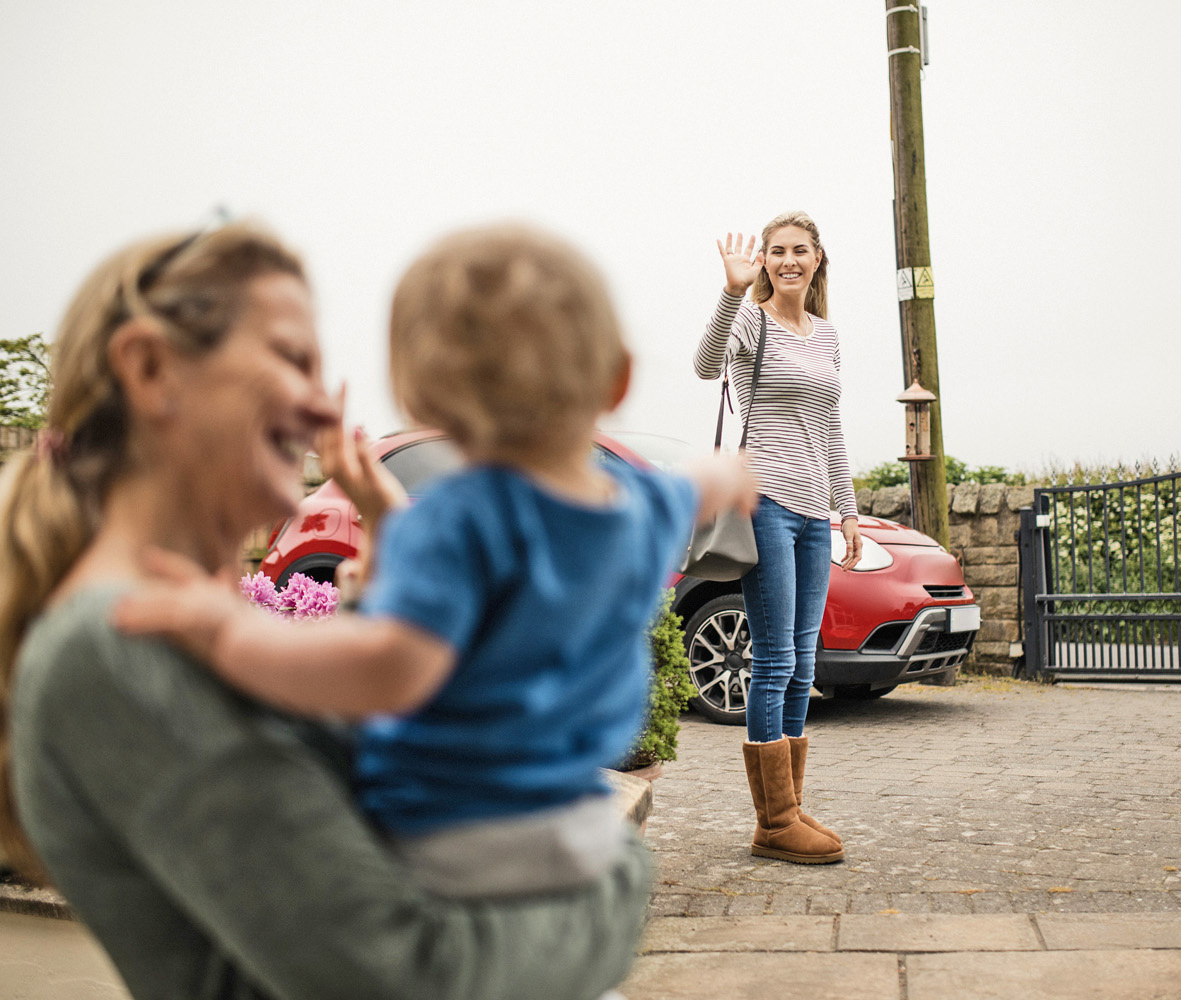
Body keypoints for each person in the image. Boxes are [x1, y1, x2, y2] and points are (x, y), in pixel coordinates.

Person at [0, 222, 656, 1000]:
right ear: (148, 367)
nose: (322, 407)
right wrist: (619, 880)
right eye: (292, 360)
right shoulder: (111, 647)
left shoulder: (171, 625)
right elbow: (406, 976)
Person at [113, 223, 757, 903]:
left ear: (414, 395)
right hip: (576, 829)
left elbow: (389, 667)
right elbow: (699, 485)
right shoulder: (641, 505)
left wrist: (228, 633)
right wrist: (728, 474)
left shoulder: (452, 521)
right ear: (618, 379)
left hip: (451, 833)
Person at [692, 210, 862, 866]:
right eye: (776, 251)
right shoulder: (751, 320)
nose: (788, 260)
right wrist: (733, 290)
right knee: (775, 662)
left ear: (818, 259)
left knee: (803, 663)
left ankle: (787, 805)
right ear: (765, 260)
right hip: (764, 502)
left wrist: (846, 510)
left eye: (800, 250)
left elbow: (833, 427)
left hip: (814, 515)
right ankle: (774, 821)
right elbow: (707, 367)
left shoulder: (827, 336)